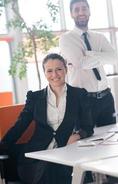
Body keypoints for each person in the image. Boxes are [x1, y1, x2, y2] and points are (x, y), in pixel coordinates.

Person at [0, 53, 94, 184]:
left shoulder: (79, 95)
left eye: (59, 69)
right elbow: (20, 125)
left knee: (67, 174)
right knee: (50, 174)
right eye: (49, 70)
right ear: (44, 73)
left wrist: (77, 136)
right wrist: (2, 145)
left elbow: (88, 126)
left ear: (66, 70)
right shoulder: (35, 97)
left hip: (66, 153)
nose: (54, 75)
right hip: (37, 156)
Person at [59, 0, 117, 127]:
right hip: (82, 100)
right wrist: (102, 56)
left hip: (106, 98)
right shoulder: (66, 39)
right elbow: (81, 64)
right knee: (85, 142)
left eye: (84, 8)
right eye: (76, 10)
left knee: (111, 140)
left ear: (89, 11)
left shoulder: (99, 37)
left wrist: (90, 55)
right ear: (71, 14)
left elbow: (114, 58)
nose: (81, 12)